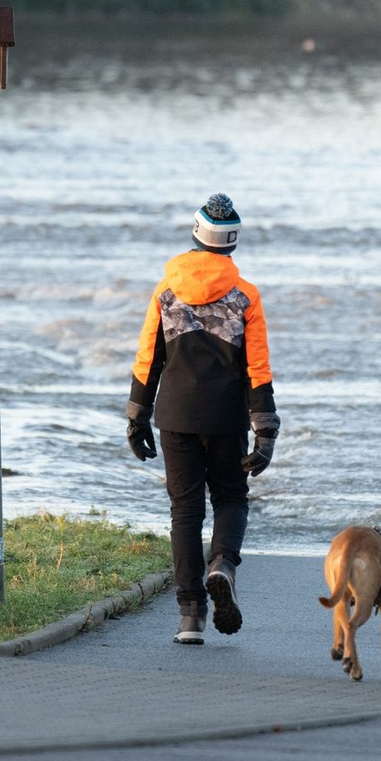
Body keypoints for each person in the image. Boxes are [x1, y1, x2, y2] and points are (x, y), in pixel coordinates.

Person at [125, 192, 279, 645]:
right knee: (231, 499)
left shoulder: (166, 290)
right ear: (231, 244)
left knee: (185, 513)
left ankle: (191, 616)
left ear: (196, 234)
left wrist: (137, 416)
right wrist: (265, 431)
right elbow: (258, 369)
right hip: (227, 419)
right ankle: (222, 565)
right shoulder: (246, 296)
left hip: (175, 416)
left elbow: (147, 359)